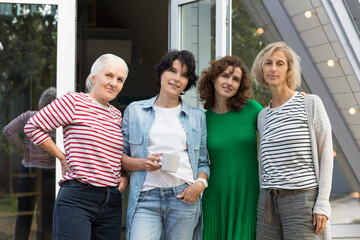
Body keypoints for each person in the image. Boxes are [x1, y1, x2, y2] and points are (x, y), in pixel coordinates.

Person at [24, 54, 129, 240]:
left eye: (120, 79)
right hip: (78, 198)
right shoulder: (74, 102)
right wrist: (61, 156)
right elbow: (33, 126)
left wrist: (123, 174)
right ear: (94, 78)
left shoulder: (116, 115)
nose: (114, 83)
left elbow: (113, 153)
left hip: (111, 201)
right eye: (109, 75)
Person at [121, 50, 210, 240]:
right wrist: (143, 164)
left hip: (183, 197)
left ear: (188, 82)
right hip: (145, 199)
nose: (177, 78)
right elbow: (119, 157)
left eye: (184, 75)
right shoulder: (135, 111)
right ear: (161, 73)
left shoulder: (197, 117)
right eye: (172, 70)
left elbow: (203, 162)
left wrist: (200, 184)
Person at [251, 41, 333, 239]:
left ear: (289, 69)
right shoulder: (263, 115)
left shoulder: (310, 103)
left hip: (302, 200)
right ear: (261, 68)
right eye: (268, 63)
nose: (273, 68)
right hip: (268, 203)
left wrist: (322, 204)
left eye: (280, 63)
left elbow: (326, 155)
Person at [197, 56, 263, 240]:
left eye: (235, 79)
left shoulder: (251, 109)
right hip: (216, 195)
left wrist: (296, 101)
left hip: (247, 193)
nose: (229, 82)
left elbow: (276, 126)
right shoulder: (203, 119)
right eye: (225, 76)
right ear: (213, 78)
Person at [3, 87, 56, 240]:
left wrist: (24, 149)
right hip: (49, 173)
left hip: (28, 171)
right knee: (46, 217)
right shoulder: (58, 122)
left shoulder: (29, 116)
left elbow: (8, 131)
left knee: (24, 214)